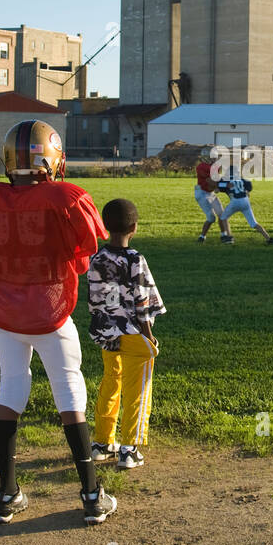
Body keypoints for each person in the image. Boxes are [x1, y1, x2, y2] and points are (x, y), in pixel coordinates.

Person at [0, 120, 116, 525]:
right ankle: (92, 494)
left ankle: (6, 493)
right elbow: (83, 254)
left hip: (4, 312)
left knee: (11, 385)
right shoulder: (67, 196)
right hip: (51, 311)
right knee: (68, 390)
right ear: (51, 157)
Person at [88, 199, 166, 471]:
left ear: (105, 226)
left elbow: (95, 300)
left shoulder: (96, 259)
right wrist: (148, 335)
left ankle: (101, 443)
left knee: (111, 383)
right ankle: (129, 449)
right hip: (134, 333)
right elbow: (142, 302)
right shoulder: (136, 259)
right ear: (134, 227)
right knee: (137, 391)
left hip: (107, 334)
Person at [218, 167, 273, 244]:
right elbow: (248, 187)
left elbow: (217, 188)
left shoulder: (225, 181)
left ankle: (229, 237)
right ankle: (269, 239)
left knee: (223, 217)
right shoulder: (243, 181)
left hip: (235, 201)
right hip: (245, 201)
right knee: (254, 223)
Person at [194, 147, 231, 243]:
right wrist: (224, 186)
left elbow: (218, 180)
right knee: (211, 218)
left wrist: (223, 186)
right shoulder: (201, 167)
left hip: (210, 192)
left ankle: (224, 235)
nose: (215, 159)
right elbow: (211, 181)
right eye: (213, 157)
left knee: (222, 214)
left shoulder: (214, 166)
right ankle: (202, 237)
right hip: (202, 193)